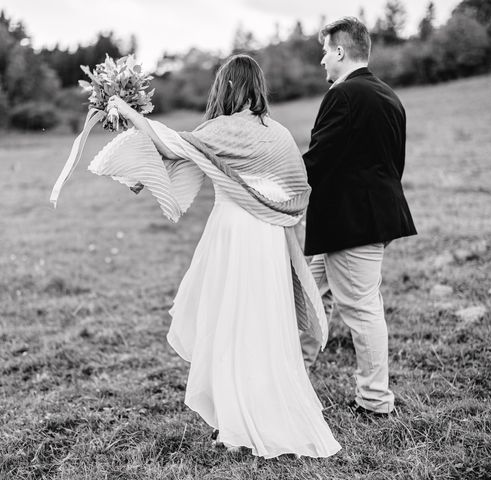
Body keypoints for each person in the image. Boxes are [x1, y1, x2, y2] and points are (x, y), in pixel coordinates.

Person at [95, 54, 341, 459]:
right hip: (268, 241)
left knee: (230, 323)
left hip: (234, 236)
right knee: (261, 323)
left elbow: (170, 144)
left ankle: (237, 423)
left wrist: (125, 111)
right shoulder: (278, 133)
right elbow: (297, 189)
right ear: (257, 87)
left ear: (225, 87)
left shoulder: (219, 129)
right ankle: (250, 412)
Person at [300, 17, 417, 416]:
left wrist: (272, 181)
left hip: (349, 225)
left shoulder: (343, 94)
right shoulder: (389, 96)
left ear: (339, 51)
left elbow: (315, 162)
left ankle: (374, 399)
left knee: (362, 309)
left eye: (324, 52)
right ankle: (293, 377)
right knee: (303, 295)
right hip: (358, 221)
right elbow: (392, 165)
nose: (321, 62)